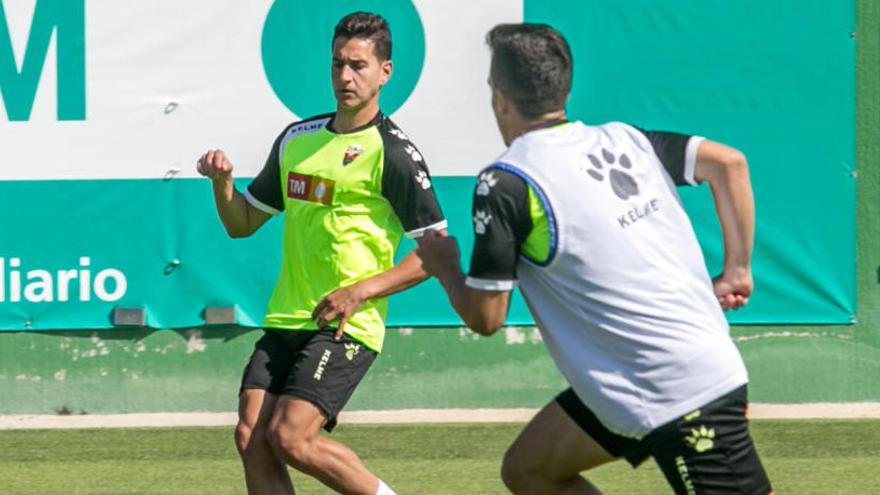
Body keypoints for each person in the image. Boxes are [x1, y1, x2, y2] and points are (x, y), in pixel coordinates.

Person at [417, 23, 772, 495]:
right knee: (530, 469)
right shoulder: (627, 140)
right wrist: (738, 270)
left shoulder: (505, 183)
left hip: (678, 390)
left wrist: (444, 265)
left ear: (500, 97)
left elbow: (486, 317)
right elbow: (729, 164)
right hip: (634, 379)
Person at [197, 12, 445, 495]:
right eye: (337, 64)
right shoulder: (298, 139)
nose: (345, 77)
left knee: (291, 437)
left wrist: (360, 292)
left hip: (347, 323)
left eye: (358, 65)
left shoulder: (392, 152)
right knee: (251, 437)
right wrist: (222, 184)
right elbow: (241, 224)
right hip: (289, 315)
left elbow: (435, 252)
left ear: (384, 71)